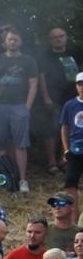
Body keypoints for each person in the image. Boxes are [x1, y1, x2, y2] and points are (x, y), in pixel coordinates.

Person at [0, 28, 38, 193]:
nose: (12, 42)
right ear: (5, 42)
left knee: (21, 145)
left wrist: (27, 108)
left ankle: (22, 180)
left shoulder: (29, 61)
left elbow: (33, 85)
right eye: (10, 39)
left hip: (19, 106)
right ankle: (1, 180)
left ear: (20, 42)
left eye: (15, 39)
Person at [38, 27, 77, 175]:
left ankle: (64, 159)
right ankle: (52, 162)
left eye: (61, 36)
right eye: (55, 37)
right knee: (51, 130)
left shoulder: (74, 53)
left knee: (69, 130)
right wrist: (46, 96)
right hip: (53, 98)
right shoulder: (45, 56)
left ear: (66, 37)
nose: (59, 39)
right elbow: (41, 77)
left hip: (72, 98)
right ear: (50, 40)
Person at [60, 72, 83, 204]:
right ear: (76, 86)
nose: (82, 87)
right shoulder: (69, 105)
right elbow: (65, 127)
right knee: (70, 183)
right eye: (80, 84)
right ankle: (73, 217)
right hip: (75, 149)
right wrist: (66, 149)